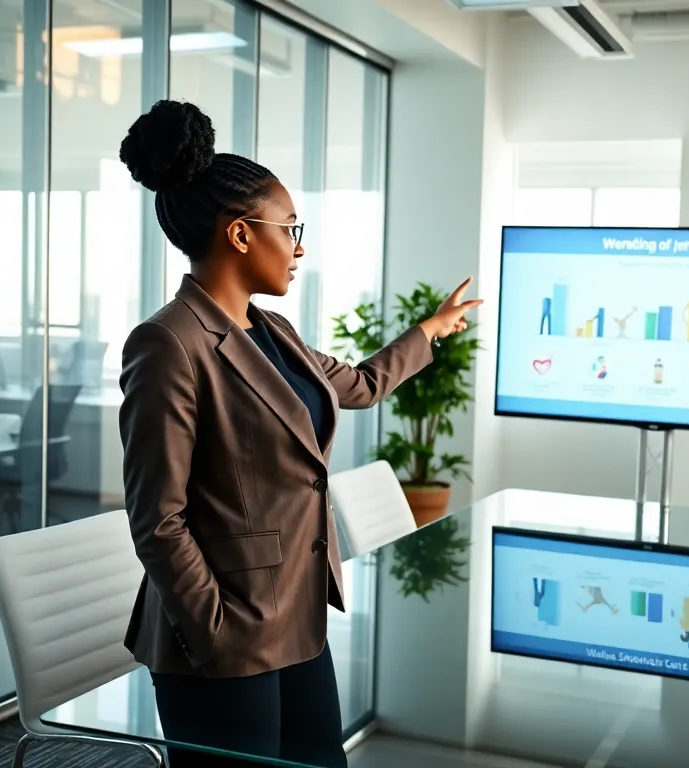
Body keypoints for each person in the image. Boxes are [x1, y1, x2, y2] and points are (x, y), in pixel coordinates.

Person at [115, 100, 481, 768]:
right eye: (290, 227)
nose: (300, 245)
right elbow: (157, 519)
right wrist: (216, 632)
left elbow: (362, 385)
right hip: (224, 633)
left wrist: (430, 330)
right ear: (240, 235)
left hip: (296, 613)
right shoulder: (168, 343)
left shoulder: (271, 331)